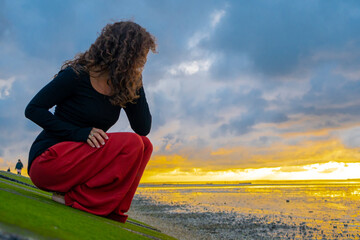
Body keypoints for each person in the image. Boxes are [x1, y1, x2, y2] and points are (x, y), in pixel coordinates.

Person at [24, 21, 156, 223]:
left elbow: (142, 128)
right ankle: (75, 199)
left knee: (145, 145)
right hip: (49, 160)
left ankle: (113, 208)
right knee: (132, 143)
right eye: (139, 56)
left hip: (83, 162)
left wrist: (136, 83)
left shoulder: (124, 86)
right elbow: (33, 109)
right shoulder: (77, 75)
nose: (141, 63)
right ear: (124, 53)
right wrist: (79, 133)